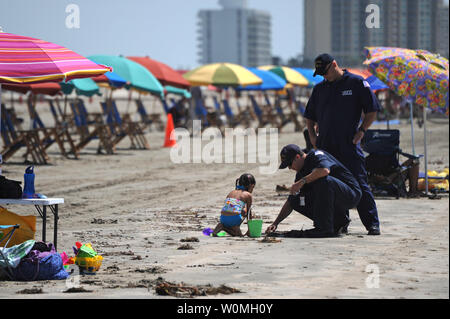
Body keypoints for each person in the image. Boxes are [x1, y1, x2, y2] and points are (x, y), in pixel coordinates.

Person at [304, 53, 382, 235]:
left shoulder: (356, 83)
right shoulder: (319, 89)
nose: (325, 76)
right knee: (331, 184)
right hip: (326, 147)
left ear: (334, 64)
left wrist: (362, 130)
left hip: (349, 144)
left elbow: (372, 110)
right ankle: (340, 223)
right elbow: (309, 116)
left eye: (326, 72)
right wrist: (313, 137)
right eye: (321, 73)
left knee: (360, 182)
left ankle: (372, 223)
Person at [266, 145, 362, 238]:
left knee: (324, 181)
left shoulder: (316, 155)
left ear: (297, 157)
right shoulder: (301, 173)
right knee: (295, 200)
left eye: (290, 164)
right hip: (334, 198)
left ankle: (324, 228)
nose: (290, 168)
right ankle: (338, 221)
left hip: (350, 194)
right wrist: (275, 223)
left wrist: (302, 182)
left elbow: (324, 171)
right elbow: (290, 201)